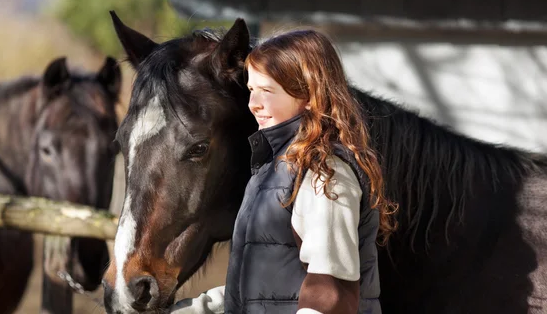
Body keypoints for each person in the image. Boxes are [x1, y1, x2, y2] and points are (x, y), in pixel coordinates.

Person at [170, 29, 398, 314]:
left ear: (310, 95)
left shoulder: (325, 174)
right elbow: (262, 289)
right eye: (252, 90)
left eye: (267, 91)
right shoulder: (274, 168)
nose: (254, 103)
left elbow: (330, 294)